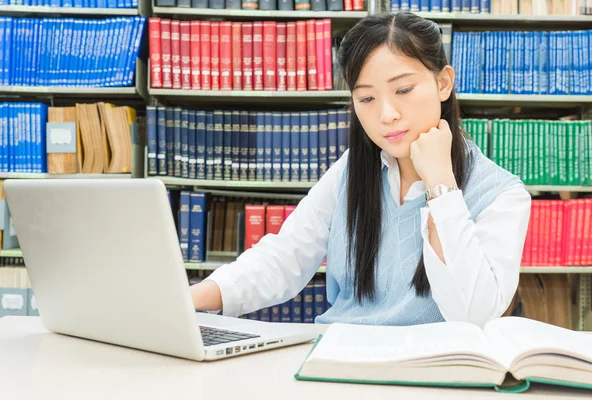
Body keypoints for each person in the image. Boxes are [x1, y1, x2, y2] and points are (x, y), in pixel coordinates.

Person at [189, 12, 532, 327]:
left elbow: (474, 314)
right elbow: (283, 258)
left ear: (443, 83)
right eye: (366, 98)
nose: (386, 114)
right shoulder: (351, 171)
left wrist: (440, 184)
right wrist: (189, 299)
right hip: (337, 360)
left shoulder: (501, 194)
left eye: (403, 90)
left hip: (432, 374)